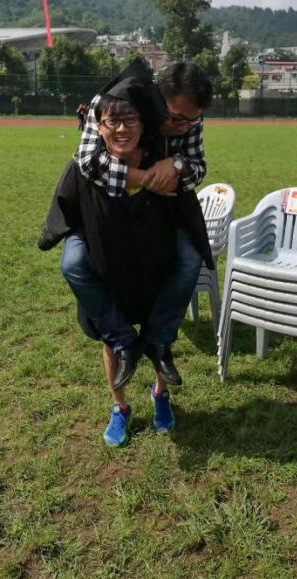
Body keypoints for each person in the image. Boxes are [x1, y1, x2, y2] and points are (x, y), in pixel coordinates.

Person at [39, 65, 213, 446]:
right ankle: (120, 402)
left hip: (157, 223)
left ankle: (160, 390)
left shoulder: (189, 121)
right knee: (79, 269)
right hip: (101, 221)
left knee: (180, 275)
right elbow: (88, 161)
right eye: (176, 118)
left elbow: (198, 166)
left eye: (191, 121)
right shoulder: (112, 105)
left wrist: (176, 164)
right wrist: (147, 178)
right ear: (155, 100)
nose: (182, 128)